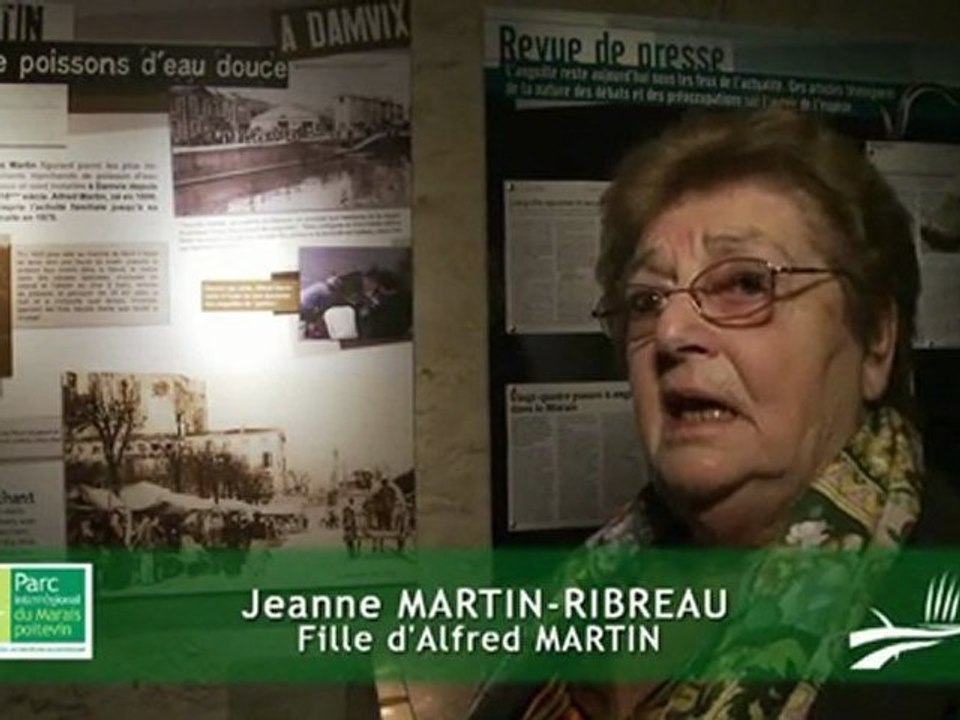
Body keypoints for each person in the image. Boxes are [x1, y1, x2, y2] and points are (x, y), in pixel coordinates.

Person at [468, 108, 960, 719]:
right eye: (646, 300)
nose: (670, 332)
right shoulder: (594, 583)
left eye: (746, 285)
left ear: (876, 339)